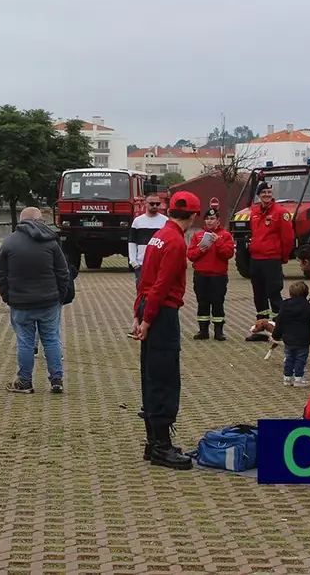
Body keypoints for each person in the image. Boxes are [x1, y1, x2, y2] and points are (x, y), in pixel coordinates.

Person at [133, 191, 200, 470]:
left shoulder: (158, 237)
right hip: (161, 313)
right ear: (193, 216)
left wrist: (137, 314)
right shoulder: (175, 243)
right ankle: (161, 446)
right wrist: (148, 319)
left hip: (148, 307)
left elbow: (145, 279)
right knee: (165, 377)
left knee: (151, 374)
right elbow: (161, 285)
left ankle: (153, 443)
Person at [0, 206, 75, 395]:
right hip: (49, 301)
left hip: (21, 302)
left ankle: (24, 381)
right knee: (52, 339)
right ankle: (56, 380)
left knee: (25, 342)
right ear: (39, 220)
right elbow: (63, 272)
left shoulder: (9, 242)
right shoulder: (51, 242)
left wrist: (8, 296)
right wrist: (60, 296)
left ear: (21, 221)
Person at [245, 182, 295, 342]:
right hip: (256, 259)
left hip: (272, 259)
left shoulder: (281, 213)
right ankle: (261, 329)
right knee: (258, 295)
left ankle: (279, 329)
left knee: (274, 294)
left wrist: (283, 257)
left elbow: (288, 238)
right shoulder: (254, 212)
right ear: (259, 195)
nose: (267, 194)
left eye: (269, 191)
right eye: (263, 192)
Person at [185, 207, 235, 341]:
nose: (209, 221)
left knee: (218, 303)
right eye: (207, 219)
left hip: (218, 276)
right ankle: (203, 330)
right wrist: (200, 250)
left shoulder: (225, 235)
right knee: (202, 303)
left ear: (218, 221)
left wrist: (218, 242)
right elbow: (190, 255)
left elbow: (228, 254)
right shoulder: (198, 236)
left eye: (212, 219)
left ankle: (219, 331)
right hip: (201, 276)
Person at [271, 282, 310, 387]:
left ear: (290, 293)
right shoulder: (309, 307)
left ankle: (287, 378)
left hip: (288, 338)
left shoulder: (284, 306)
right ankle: (298, 378)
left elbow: (279, 322)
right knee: (300, 359)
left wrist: (276, 335)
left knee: (289, 358)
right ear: (306, 293)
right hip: (303, 339)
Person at [128, 193, 168, 288]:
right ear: (145, 204)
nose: (155, 206)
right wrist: (133, 262)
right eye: (152, 203)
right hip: (142, 264)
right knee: (142, 293)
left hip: (159, 265)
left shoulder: (165, 221)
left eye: (157, 204)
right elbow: (132, 242)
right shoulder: (137, 221)